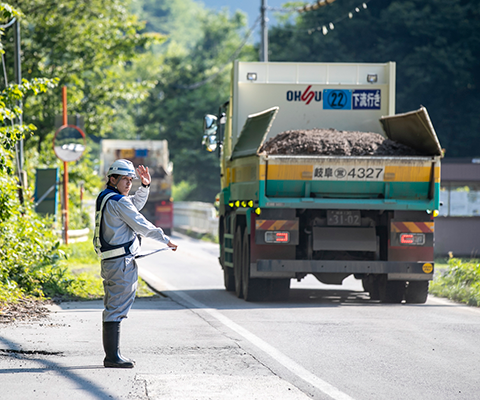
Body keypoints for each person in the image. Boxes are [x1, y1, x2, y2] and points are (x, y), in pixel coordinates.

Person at [93, 159, 177, 368]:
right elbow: (141, 224)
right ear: (113, 179)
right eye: (125, 180)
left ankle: (113, 355)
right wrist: (165, 239)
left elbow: (132, 208)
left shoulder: (106, 198)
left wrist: (145, 187)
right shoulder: (118, 201)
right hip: (121, 261)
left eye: (131, 180)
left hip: (113, 260)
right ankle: (112, 357)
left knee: (114, 306)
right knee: (116, 307)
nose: (129, 183)